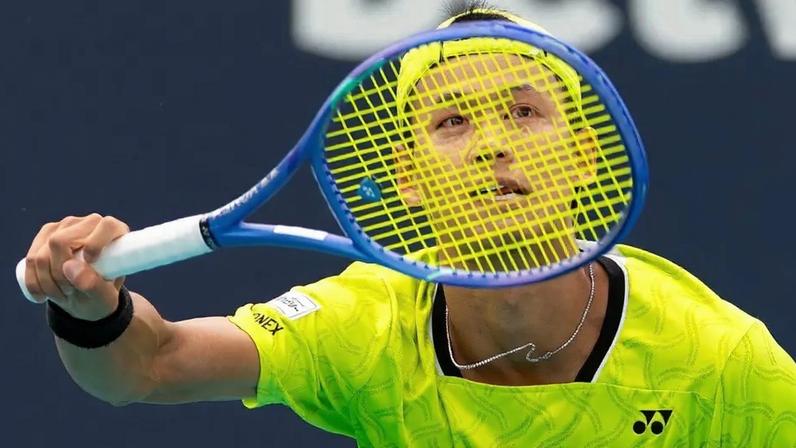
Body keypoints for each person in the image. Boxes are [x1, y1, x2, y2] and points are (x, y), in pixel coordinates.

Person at [21, 2, 796, 446]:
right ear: (407, 181)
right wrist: (89, 309)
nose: (494, 140)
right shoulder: (369, 328)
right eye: (453, 121)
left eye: (525, 111)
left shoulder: (720, 364)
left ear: (588, 155)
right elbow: (146, 368)